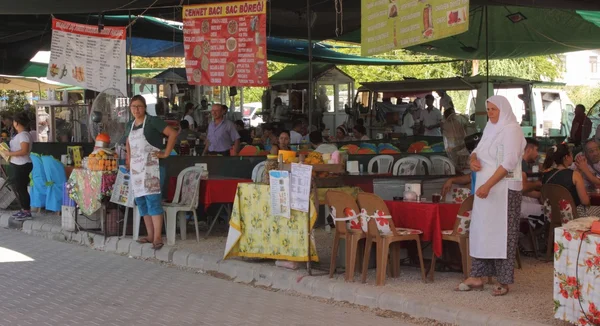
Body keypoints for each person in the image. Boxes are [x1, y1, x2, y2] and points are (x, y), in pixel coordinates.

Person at [456, 95, 526, 296]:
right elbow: (477, 149)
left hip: (503, 189)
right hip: (484, 189)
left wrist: (488, 185)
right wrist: (473, 160)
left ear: (503, 109)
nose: (491, 114)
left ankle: (503, 281)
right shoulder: (490, 127)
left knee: (504, 234)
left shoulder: (512, 129)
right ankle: (477, 276)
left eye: (494, 109)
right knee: (481, 230)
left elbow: (509, 162)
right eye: (488, 110)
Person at [125, 95, 177, 250]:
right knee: (141, 201)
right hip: (136, 170)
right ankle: (149, 234)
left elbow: (173, 134)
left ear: (145, 107)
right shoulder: (130, 125)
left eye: (139, 106)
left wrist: (165, 153)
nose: (136, 109)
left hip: (152, 168)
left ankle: (157, 237)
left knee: (153, 200)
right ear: (130, 108)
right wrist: (128, 159)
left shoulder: (153, 121)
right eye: (133, 106)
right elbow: (128, 142)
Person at [542, 143, 598, 216]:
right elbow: (585, 202)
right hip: (573, 215)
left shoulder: (546, 175)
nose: (573, 156)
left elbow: (543, 199)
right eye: (571, 154)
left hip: (552, 215)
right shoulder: (574, 175)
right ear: (566, 157)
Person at [0, 112, 33, 220]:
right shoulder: (19, 135)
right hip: (17, 163)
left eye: (14, 121)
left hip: (22, 164)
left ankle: (27, 211)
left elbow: (24, 150)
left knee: (21, 188)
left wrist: (9, 154)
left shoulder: (23, 135)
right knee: (19, 188)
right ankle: (24, 209)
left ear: (17, 123)